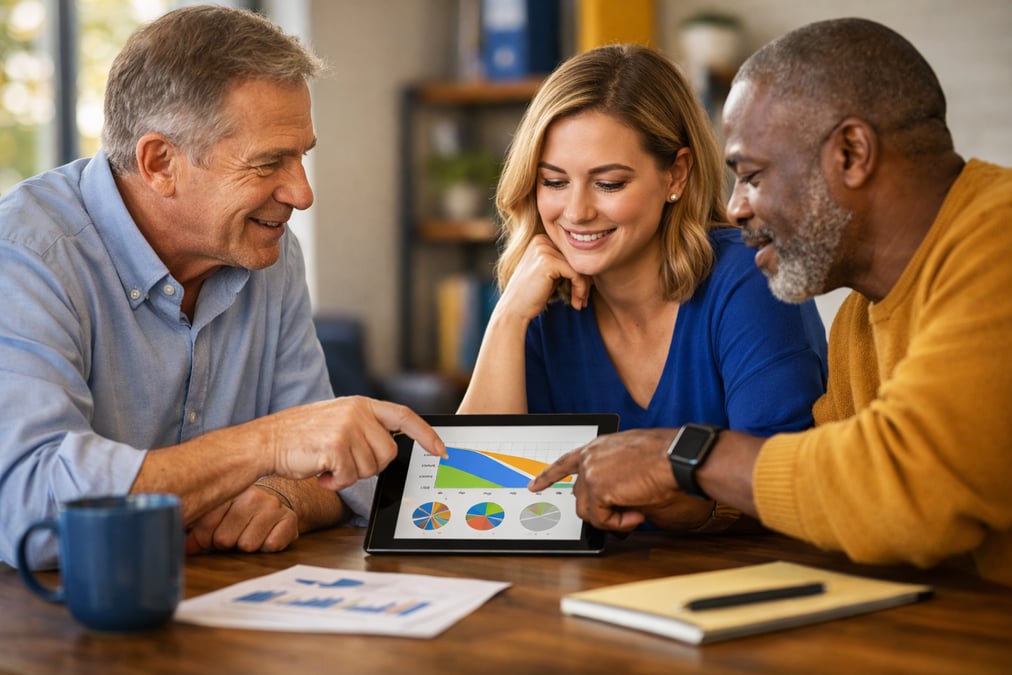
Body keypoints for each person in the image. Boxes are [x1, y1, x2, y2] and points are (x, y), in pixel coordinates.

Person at [530, 18, 1012, 586]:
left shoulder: (998, 240)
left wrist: (686, 457)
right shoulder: (862, 317)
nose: (733, 208)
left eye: (752, 175)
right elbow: (829, 488)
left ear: (851, 153)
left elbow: (911, 493)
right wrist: (700, 499)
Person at [0, 5, 446, 570]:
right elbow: (30, 515)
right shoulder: (25, 257)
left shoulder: (270, 255)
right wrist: (267, 445)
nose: (302, 193)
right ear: (160, 162)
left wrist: (286, 494)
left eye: (302, 156)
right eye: (269, 163)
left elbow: (332, 467)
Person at [458, 44, 827, 532]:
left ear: (676, 173)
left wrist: (696, 506)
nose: (576, 212)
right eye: (554, 181)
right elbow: (473, 502)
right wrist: (505, 321)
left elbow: (788, 486)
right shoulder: (538, 298)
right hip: (583, 589)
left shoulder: (748, 277)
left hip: (733, 585)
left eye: (608, 183)